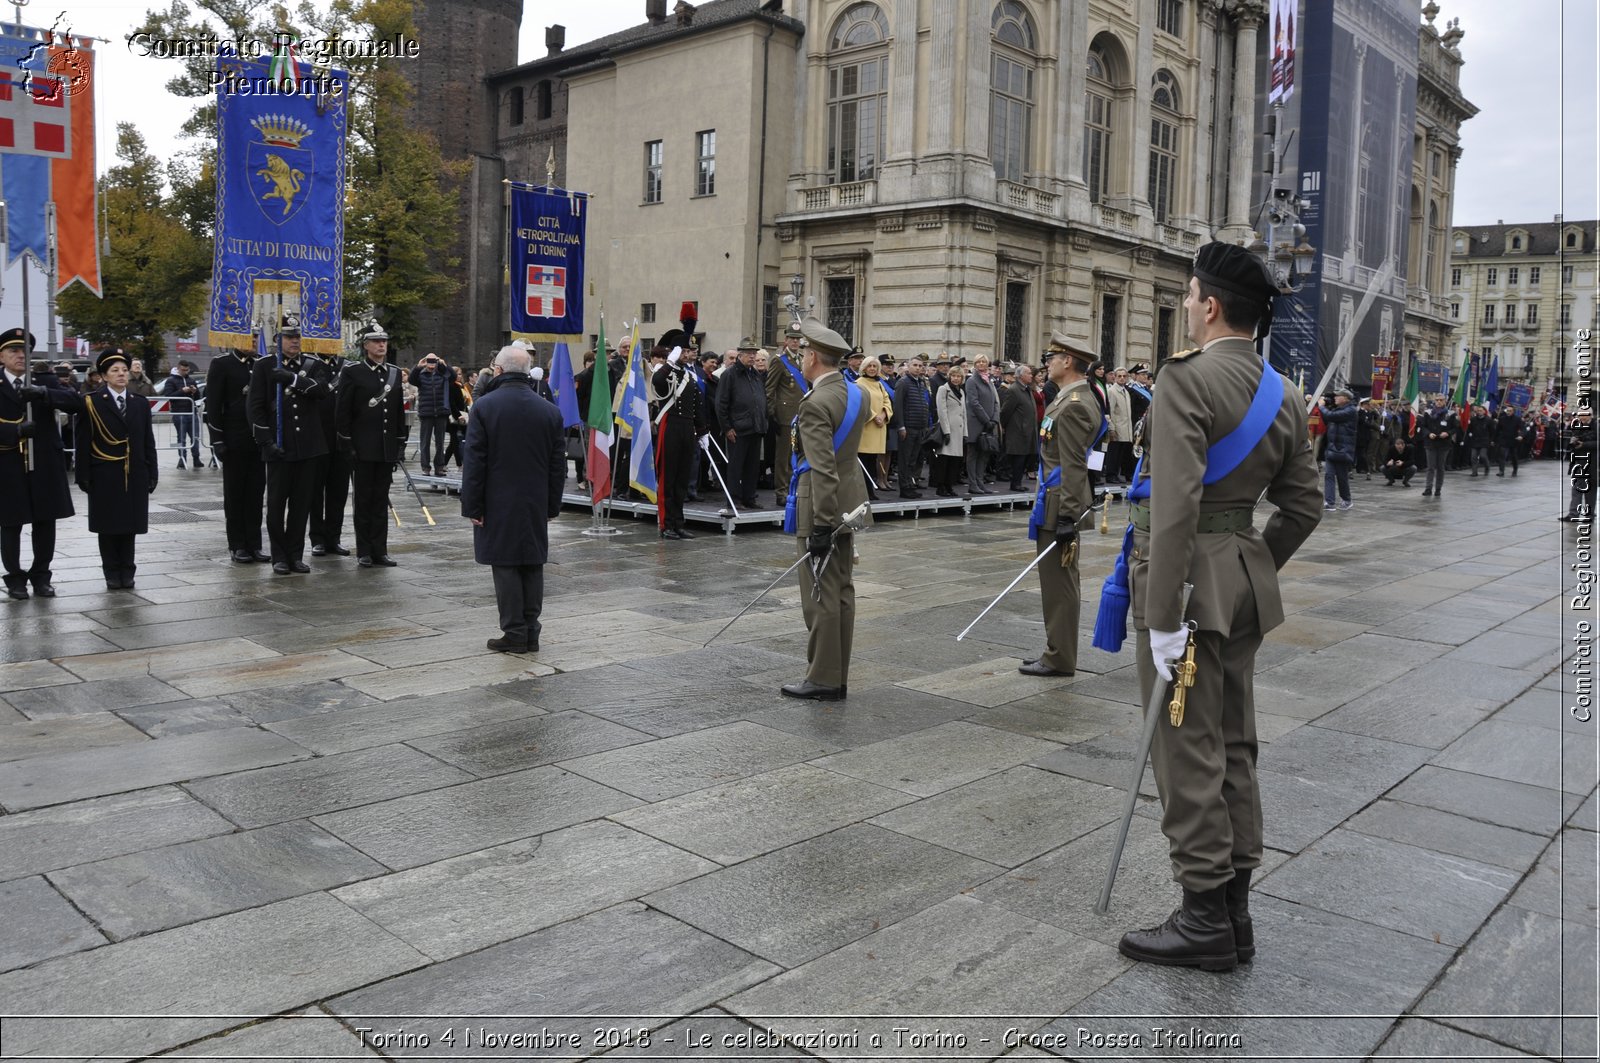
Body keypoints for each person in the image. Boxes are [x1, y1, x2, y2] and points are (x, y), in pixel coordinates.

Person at [1117, 241, 1321, 972]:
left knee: (1186, 745)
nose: (1188, 303)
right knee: (1233, 740)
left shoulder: (1186, 381)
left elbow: (1173, 513)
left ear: (1208, 305)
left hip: (1188, 593)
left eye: (1189, 293)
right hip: (1239, 584)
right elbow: (1303, 507)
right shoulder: (1284, 392)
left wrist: (1166, 616)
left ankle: (1203, 912)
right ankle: (1234, 911)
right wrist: (1248, 562)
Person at [781, 316, 869, 701]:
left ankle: (823, 678)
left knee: (820, 596)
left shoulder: (816, 402)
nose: (800, 360)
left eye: (803, 354)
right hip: (850, 502)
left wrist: (820, 524)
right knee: (842, 592)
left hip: (821, 503)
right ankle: (836, 673)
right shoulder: (857, 393)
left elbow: (822, 467)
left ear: (813, 357)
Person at [461, 346, 565, 652]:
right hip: (534, 500)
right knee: (532, 563)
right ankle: (531, 630)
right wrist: (552, 505)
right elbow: (557, 465)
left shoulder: (484, 407)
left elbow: (475, 461)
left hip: (497, 500)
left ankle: (515, 632)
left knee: (505, 564)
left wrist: (473, 505)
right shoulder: (549, 410)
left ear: (498, 371)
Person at [1020, 333, 1102, 677]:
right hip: (1056, 501)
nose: (1046, 363)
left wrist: (1068, 514)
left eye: (1051, 357)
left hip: (1059, 506)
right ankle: (1056, 649)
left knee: (1059, 585)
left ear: (1067, 361)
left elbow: (1072, 465)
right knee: (1058, 583)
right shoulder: (1071, 398)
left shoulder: (1075, 405)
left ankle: (1060, 657)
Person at [0, 328, 82, 599]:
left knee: (45, 521)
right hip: (9, 462)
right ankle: (14, 578)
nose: (20, 355)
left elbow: (75, 403)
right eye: (13, 350)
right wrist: (16, 432)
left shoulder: (43, 380)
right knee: (11, 523)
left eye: (24, 350)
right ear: (1, 356)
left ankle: (41, 576)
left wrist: (44, 393)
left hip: (44, 461)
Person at [249, 313, 329, 574]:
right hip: (278, 446)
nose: (295, 341)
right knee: (275, 505)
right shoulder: (264, 366)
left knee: (301, 504)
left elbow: (322, 391)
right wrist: (266, 441)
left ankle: (295, 554)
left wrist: (293, 379)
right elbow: (256, 408)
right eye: (289, 337)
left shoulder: (313, 364)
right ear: (277, 339)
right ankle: (279, 555)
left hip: (307, 446)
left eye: (297, 337)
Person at [76, 348, 159, 590]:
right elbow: (83, 441)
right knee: (108, 525)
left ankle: (128, 570)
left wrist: (152, 472)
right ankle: (112, 571)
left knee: (130, 524)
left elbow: (148, 442)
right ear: (104, 376)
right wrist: (83, 474)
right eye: (115, 371)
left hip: (134, 472)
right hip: (104, 472)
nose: (121, 374)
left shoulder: (139, 403)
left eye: (124, 370)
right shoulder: (92, 402)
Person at [336, 322, 407, 567]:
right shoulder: (353, 372)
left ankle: (380, 549)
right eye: (376, 341)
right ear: (366, 346)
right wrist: (346, 441)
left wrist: (400, 443)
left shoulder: (394, 372)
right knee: (363, 501)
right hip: (363, 447)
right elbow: (343, 410)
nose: (381, 345)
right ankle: (364, 550)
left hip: (385, 448)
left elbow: (398, 412)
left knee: (380, 500)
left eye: (384, 341)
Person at [205, 335, 269, 563]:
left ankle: (255, 543)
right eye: (248, 339)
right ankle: (237, 544)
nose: (253, 343)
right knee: (235, 495)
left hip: (257, 440)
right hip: (234, 439)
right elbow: (213, 404)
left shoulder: (261, 364)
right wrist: (217, 439)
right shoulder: (222, 364)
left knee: (255, 494)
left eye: (255, 339)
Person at [650, 334, 707, 540]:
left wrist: (702, 431)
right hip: (670, 426)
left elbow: (696, 405)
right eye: (682, 350)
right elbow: (657, 382)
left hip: (686, 428)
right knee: (668, 477)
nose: (687, 354)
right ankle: (666, 524)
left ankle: (678, 522)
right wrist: (670, 362)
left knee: (682, 478)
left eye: (687, 351)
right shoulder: (664, 370)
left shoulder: (689, 375)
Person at [305, 339, 352, 558]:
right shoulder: (310, 365)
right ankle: (317, 539)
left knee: (338, 492)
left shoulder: (346, 366)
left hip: (341, 439)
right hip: (317, 437)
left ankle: (334, 537)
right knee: (315, 492)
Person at [716, 337, 768, 510]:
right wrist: (727, 427)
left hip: (755, 427)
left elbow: (760, 398)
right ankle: (734, 499)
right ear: (740, 355)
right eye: (749, 354)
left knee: (752, 467)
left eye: (754, 353)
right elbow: (721, 404)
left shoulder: (755, 374)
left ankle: (749, 497)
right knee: (736, 466)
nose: (752, 357)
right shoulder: (729, 375)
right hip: (738, 428)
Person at [766, 321, 806, 507]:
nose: (795, 342)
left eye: (798, 339)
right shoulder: (779, 360)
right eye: (792, 338)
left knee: (798, 455)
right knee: (783, 457)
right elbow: (770, 389)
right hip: (785, 416)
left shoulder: (802, 360)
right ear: (786, 340)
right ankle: (781, 492)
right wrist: (772, 414)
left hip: (802, 415)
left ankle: (794, 488)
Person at [892, 355, 932, 498]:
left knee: (913, 460)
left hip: (920, 428)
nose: (918, 368)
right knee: (905, 459)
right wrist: (901, 426)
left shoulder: (921, 383)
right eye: (915, 365)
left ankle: (910, 484)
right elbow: (898, 406)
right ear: (908, 367)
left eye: (920, 366)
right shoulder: (903, 383)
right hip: (908, 428)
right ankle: (904, 487)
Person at [858, 356, 894, 497]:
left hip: (879, 427)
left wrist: (884, 415)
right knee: (864, 461)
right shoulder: (859, 383)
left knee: (874, 460)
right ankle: (864, 491)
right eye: (870, 366)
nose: (872, 369)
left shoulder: (879, 384)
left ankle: (870, 489)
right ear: (864, 368)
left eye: (874, 366)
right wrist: (874, 416)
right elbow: (860, 403)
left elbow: (887, 402)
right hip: (866, 428)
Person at [1000, 363, 1039, 492]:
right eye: (1028, 373)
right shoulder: (1014, 390)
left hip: (1028, 430)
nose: (1031, 375)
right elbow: (1005, 411)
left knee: (1025, 458)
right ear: (1021, 376)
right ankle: (1015, 484)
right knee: (1018, 459)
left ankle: (1018, 482)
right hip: (1018, 431)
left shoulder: (1027, 388)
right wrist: (1006, 426)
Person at [964, 355, 1000, 494]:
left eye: (983, 361)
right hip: (976, 423)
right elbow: (974, 402)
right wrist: (986, 420)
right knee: (973, 454)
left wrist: (994, 419)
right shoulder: (972, 381)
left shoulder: (989, 380)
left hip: (989, 424)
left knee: (984, 454)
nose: (981, 364)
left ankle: (980, 482)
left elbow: (996, 402)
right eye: (978, 361)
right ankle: (973, 484)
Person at [413, 352, 452, 476]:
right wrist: (418, 366)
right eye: (429, 361)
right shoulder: (421, 374)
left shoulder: (443, 374)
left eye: (434, 361)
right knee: (425, 442)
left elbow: (453, 376)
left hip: (441, 412)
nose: (431, 363)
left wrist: (445, 365)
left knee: (440, 442)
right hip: (426, 412)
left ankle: (439, 466)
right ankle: (425, 467)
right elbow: (411, 379)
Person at [932, 365, 968, 497]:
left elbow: (964, 413)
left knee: (955, 461)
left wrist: (965, 433)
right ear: (949, 376)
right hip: (948, 429)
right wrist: (946, 431)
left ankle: (949, 485)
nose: (956, 379)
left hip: (959, 430)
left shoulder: (962, 392)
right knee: (944, 460)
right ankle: (940, 486)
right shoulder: (944, 389)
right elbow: (942, 411)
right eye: (953, 376)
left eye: (958, 376)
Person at [1320, 388, 1357, 511]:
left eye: (1338, 396)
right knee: (1329, 475)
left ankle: (1347, 500)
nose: (1335, 398)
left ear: (1346, 398)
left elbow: (1331, 416)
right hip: (1332, 448)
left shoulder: (1350, 410)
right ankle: (1330, 502)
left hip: (1343, 449)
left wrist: (1322, 407)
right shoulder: (1338, 409)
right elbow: (1327, 420)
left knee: (1341, 477)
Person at [161, 360, 203, 469]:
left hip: (191, 412)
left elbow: (198, 397)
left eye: (187, 370)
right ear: (178, 369)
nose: (185, 372)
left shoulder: (191, 380)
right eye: (183, 370)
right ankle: (182, 459)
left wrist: (195, 391)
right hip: (179, 413)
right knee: (181, 438)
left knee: (195, 437)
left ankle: (196, 458)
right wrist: (182, 391)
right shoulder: (171, 381)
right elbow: (169, 395)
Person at [1417, 395, 1457, 497]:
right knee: (1430, 467)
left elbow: (1455, 428)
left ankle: (1438, 488)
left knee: (1440, 467)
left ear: (1445, 401)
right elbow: (1423, 427)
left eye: (1441, 400)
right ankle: (1428, 488)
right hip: (1431, 443)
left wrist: (1447, 433)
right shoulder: (1428, 413)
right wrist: (1429, 434)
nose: (1439, 402)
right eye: (1437, 400)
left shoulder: (1450, 414)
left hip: (1444, 444)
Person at [1562, 406, 1596, 522]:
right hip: (1578, 461)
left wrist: (1584, 445)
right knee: (1576, 488)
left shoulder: (1596, 426)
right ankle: (1573, 514)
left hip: (1592, 463)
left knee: (1590, 491)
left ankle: (1590, 515)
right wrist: (1573, 442)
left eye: (1584, 415)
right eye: (1580, 414)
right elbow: (1574, 439)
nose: (1581, 417)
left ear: (1590, 415)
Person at [1104, 367, 1133, 486]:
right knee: (1114, 453)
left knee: (1123, 453)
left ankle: (1120, 474)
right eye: (1119, 376)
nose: (1122, 378)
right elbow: (1109, 411)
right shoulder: (1112, 391)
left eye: (1124, 376)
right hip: (1117, 427)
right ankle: (1111, 475)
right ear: (1115, 377)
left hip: (1126, 427)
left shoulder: (1126, 391)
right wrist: (1111, 428)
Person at [1466, 404, 1495, 477]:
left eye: (1481, 411)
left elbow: (1492, 431)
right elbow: (1470, 429)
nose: (1479, 412)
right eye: (1478, 411)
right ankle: (1474, 472)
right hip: (1475, 440)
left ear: (1484, 412)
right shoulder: (1473, 419)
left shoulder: (1489, 420)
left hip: (1484, 441)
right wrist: (1469, 433)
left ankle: (1487, 466)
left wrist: (1491, 440)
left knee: (1483, 456)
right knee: (1473, 457)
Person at [1495, 405, 1523, 477]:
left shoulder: (1517, 419)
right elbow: (1497, 430)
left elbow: (1523, 428)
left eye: (1510, 411)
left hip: (1513, 440)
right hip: (1504, 440)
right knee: (1502, 456)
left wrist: (1521, 435)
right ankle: (1501, 471)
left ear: (1513, 412)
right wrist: (1494, 439)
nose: (1508, 412)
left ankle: (1515, 469)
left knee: (1513, 456)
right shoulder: (1502, 419)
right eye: (1507, 410)